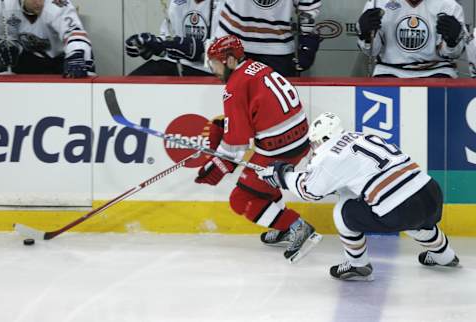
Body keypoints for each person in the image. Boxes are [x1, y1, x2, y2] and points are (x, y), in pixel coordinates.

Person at [258, 112, 460, 280]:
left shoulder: (330, 154)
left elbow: (310, 191)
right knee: (413, 217)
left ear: (323, 139)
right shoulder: (362, 136)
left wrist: (282, 176)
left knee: (343, 211)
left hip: (401, 209)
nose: (314, 149)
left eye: (314, 144)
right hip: (431, 192)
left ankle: (357, 265)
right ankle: (445, 256)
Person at [194, 35, 321, 263]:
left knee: (241, 199)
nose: (213, 69)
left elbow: (237, 142)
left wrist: (217, 165)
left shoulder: (234, 87)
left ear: (230, 60)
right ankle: (283, 228)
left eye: (215, 63)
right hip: (300, 140)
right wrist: (223, 130)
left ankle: (296, 226)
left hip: (278, 150)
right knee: (261, 185)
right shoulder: (257, 66)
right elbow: (253, 117)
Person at [357, 0, 466, 78]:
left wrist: (452, 42)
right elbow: (371, 51)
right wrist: (365, 36)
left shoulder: (449, 4)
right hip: (389, 70)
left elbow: (453, 54)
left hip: (437, 71)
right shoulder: (378, 3)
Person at [214, 0, 322, 77]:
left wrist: (307, 37)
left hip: (278, 49)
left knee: (276, 105)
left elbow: (308, 6)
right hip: (233, 44)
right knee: (233, 102)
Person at [0, 0, 94, 77]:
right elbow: (3, 34)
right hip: (30, 58)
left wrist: (75, 54)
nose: (39, 3)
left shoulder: (58, 4)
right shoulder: (4, 5)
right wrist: (9, 46)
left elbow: (74, 33)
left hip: (64, 58)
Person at [125, 0, 223, 76]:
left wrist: (199, 49)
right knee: (133, 82)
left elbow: (232, 54)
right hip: (175, 65)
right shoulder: (177, 3)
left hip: (210, 72)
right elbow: (170, 42)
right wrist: (152, 44)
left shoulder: (227, 5)